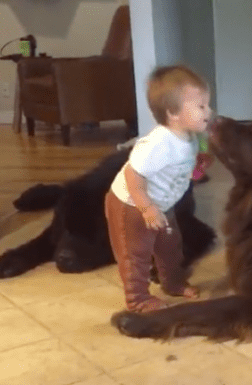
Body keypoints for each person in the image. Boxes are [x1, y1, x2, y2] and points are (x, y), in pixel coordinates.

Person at [104, 65, 212, 313]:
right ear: (173, 113)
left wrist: (198, 167)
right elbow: (133, 174)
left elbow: (184, 170)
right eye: (201, 106)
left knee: (170, 244)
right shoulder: (159, 143)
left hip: (162, 204)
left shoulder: (190, 136)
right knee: (136, 254)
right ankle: (137, 299)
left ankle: (172, 283)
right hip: (131, 205)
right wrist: (147, 207)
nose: (209, 112)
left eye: (207, 105)